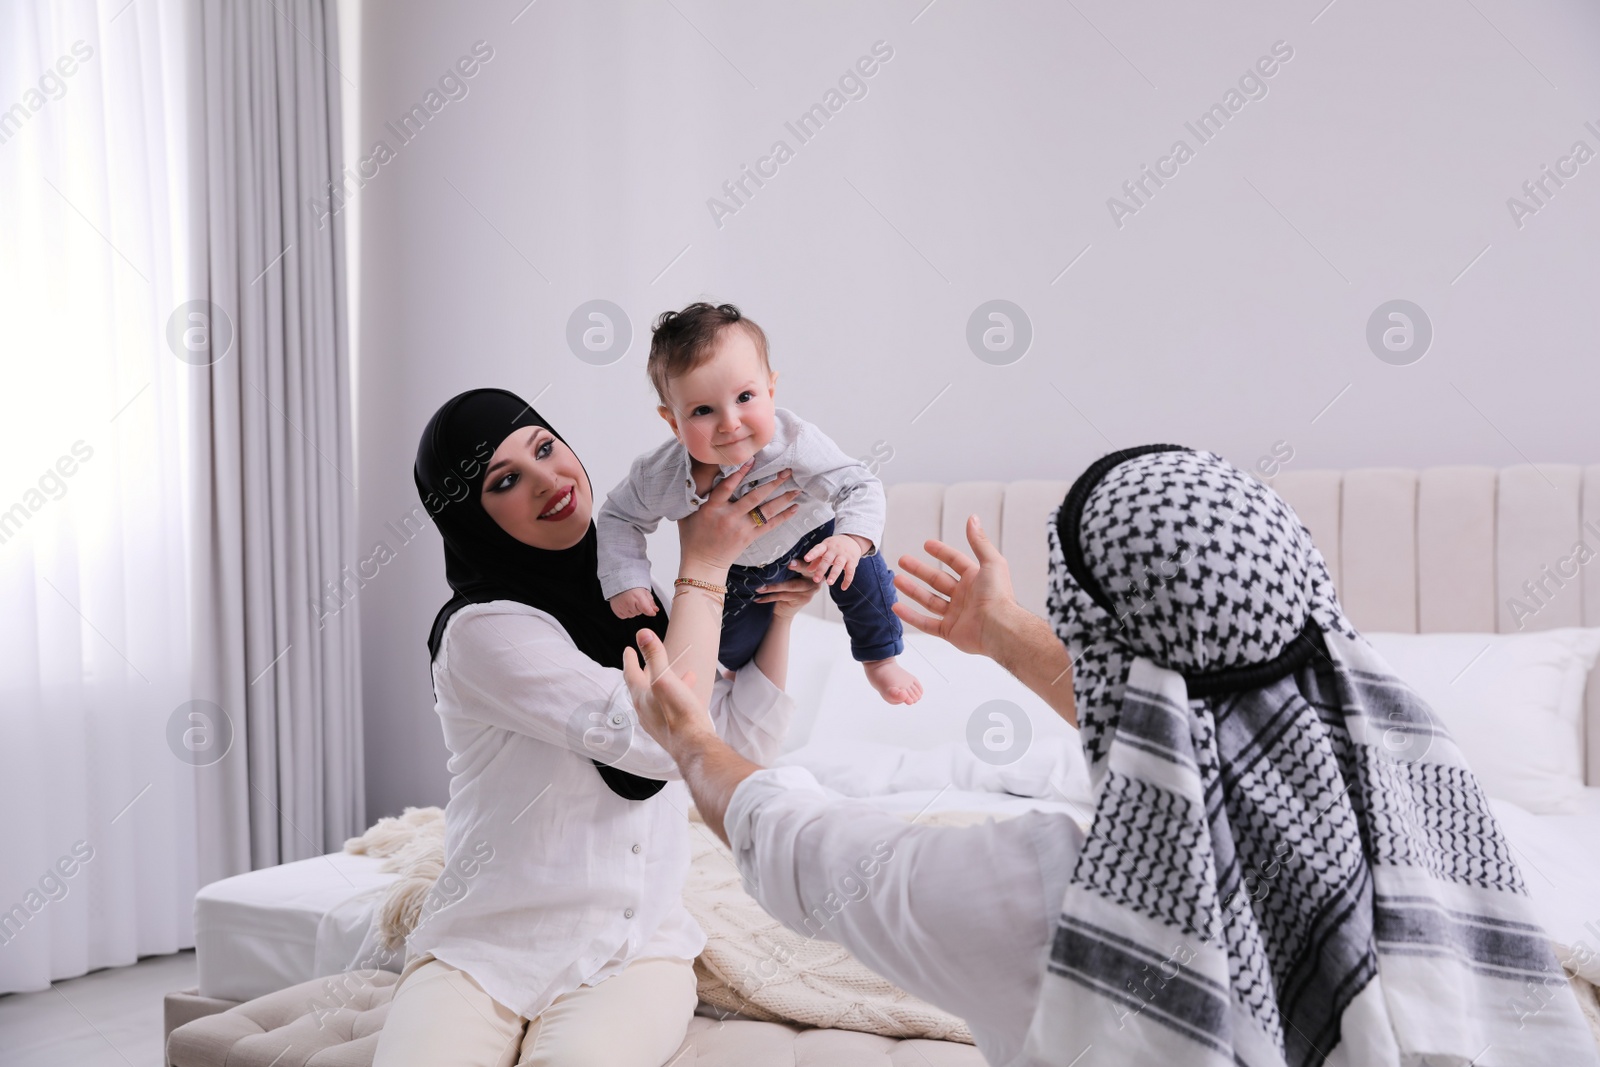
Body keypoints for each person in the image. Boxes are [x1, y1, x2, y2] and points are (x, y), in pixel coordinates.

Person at [619, 444, 1600, 1067]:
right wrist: (1005, 634)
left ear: (1093, 636)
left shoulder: (1060, 895)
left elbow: (800, 844)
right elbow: (1189, 716)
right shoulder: (1444, 835)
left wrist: (696, 740)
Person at [372, 387, 821, 1067]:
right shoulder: (480, 631)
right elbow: (659, 736)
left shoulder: (643, 604)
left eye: (546, 448)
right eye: (506, 480)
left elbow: (736, 749)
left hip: (633, 951)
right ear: (471, 515)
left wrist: (778, 616)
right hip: (481, 951)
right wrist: (703, 564)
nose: (550, 480)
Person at [595, 301, 923, 704]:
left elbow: (859, 484)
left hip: (814, 537)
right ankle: (742, 674)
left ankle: (880, 659)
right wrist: (625, 576)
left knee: (865, 573)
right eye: (702, 410)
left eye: (745, 397)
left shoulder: (796, 441)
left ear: (771, 389)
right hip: (737, 567)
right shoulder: (658, 475)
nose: (730, 422)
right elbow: (618, 516)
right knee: (729, 647)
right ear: (672, 422)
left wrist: (851, 540)